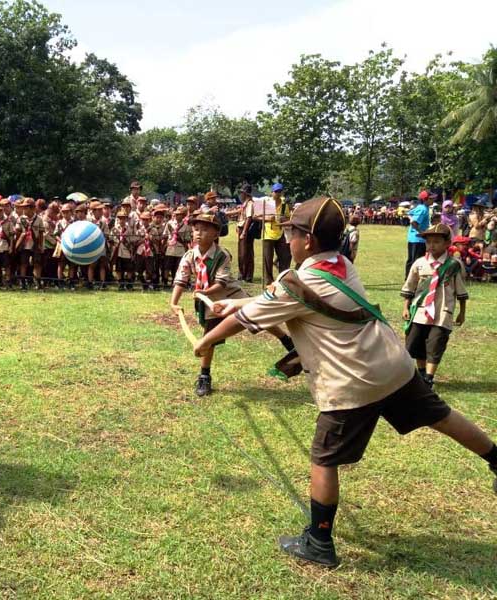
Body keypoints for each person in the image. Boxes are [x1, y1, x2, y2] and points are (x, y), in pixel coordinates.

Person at [193, 196, 497, 568]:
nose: (287, 238)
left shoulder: (296, 282)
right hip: (394, 366)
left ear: (308, 240)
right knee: (440, 416)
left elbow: (263, 311)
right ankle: (496, 459)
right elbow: (279, 300)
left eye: (292, 232)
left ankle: (319, 541)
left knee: (323, 459)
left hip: (353, 384)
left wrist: (206, 340)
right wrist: (238, 303)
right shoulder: (341, 265)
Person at [171, 212, 294, 397]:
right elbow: (181, 279)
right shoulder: (189, 256)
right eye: (196, 229)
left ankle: (286, 340)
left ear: (215, 234)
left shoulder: (222, 255)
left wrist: (203, 293)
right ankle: (205, 376)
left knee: (258, 315)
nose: (198, 233)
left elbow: (220, 284)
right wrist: (174, 303)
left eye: (204, 230)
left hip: (231, 295)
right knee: (210, 337)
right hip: (211, 303)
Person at [402, 224, 468, 388]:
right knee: (415, 343)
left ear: (447, 244)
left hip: (442, 312)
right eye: (428, 242)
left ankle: (429, 378)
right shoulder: (419, 263)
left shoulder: (453, 265)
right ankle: (422, 373)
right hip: (420, 310)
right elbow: (410, 287)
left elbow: (460, 290)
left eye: (437, 242)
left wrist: (461, 312)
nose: (432, 245)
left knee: (436, 344)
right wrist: (405, 307)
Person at [262, 183, 292, 285]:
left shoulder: (284, 205)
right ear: (272, 192)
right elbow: (256, 216)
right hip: (268, 234)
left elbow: (288, 218)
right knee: (268, 259)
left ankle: (282, 278)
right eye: (276, 192)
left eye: (280, 191)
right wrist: (266, 218)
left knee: (284, 257)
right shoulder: (267, 203)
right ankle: (268, 280)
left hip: (280, 233)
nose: (278, 194)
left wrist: (284, 219)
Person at [405, 191, 432, 277]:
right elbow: (414, 223)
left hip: (414, 239)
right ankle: (412, 280)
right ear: (425, 199)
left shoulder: (421, 207)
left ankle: (409, 279)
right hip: (418, 240)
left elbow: (409, 213)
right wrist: (422, 232)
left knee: (412, 260)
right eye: (431, 198)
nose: (434, 200)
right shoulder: (422, 209)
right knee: (417, 261)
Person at [237, 184, 256, 282]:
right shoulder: (245, 203)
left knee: (246, 253)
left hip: (246, 229)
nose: (240, 194)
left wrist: (244, 231)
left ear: (245, 193)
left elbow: (249, 218)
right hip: (241, 227)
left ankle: (247, 276)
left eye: (242, 192)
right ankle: (242, 274)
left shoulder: (250, 203)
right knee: (241, 253)